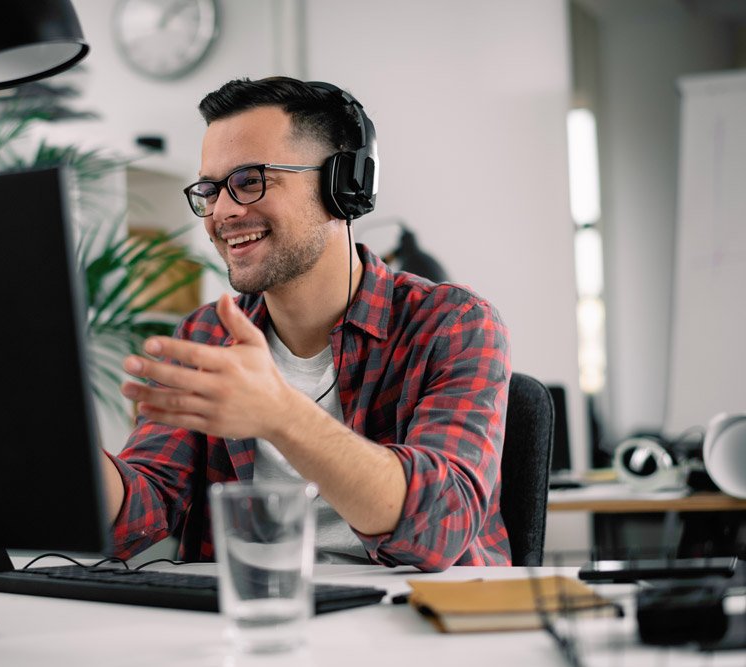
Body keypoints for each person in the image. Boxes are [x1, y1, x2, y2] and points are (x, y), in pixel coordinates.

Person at [99, 76, 511, 570]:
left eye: (249, 181)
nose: (221, 213)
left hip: (412, 628)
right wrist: (54, 428)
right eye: (209, 190)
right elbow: (137, 518)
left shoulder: (452, 323)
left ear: (343, 188)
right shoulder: (205, 337)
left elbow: (438, 529)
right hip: (257, 619)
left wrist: (280, 414)